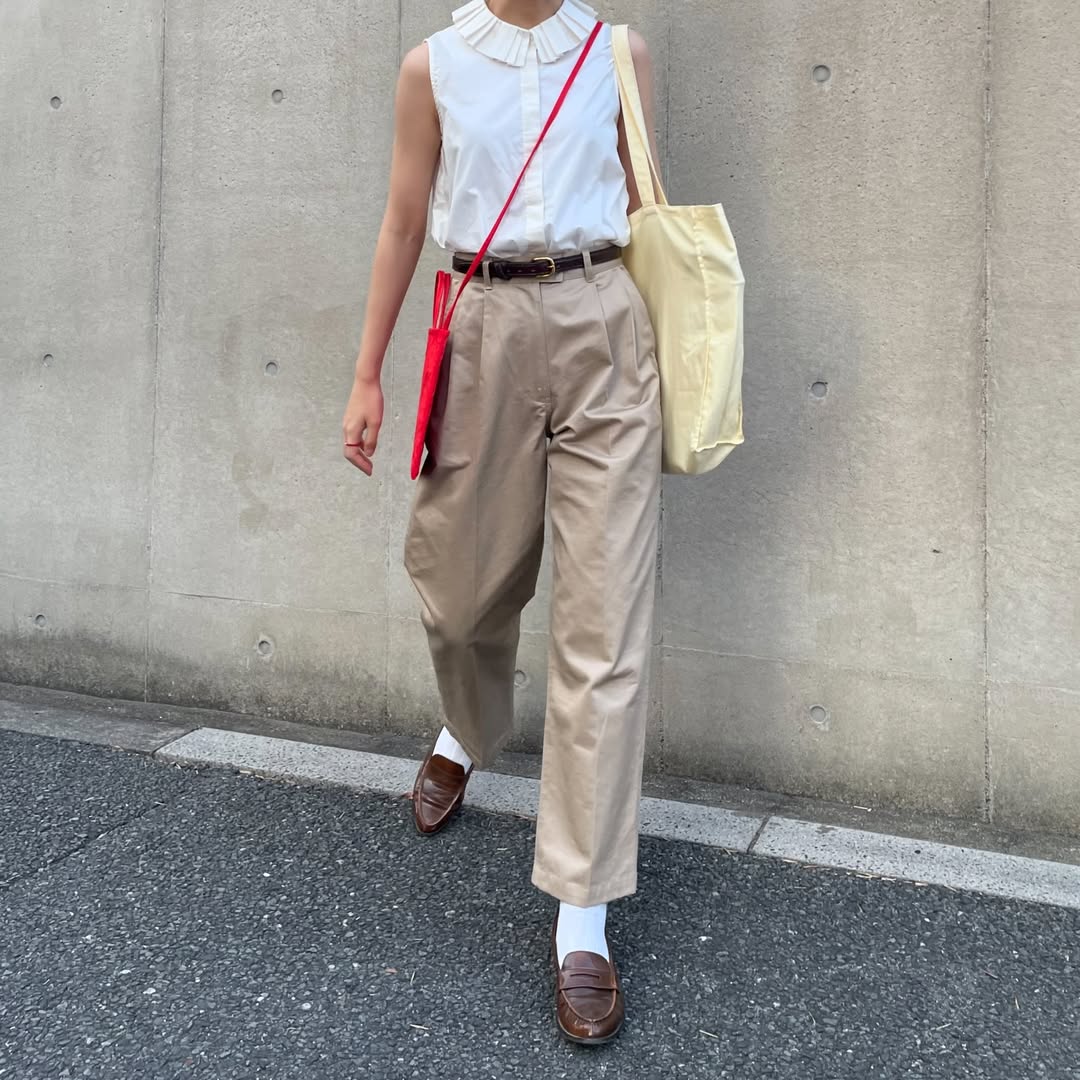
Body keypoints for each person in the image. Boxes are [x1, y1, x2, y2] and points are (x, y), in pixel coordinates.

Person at [341, 0, 664, 1045]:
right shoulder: (433, 66)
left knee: (603, 629)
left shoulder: (619, 54)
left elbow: (649, 213)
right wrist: (367, 375)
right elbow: (403, 220)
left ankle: (583, 916)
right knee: (458, 590)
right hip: (481, 318)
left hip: (605, 326)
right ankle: (470, 728)